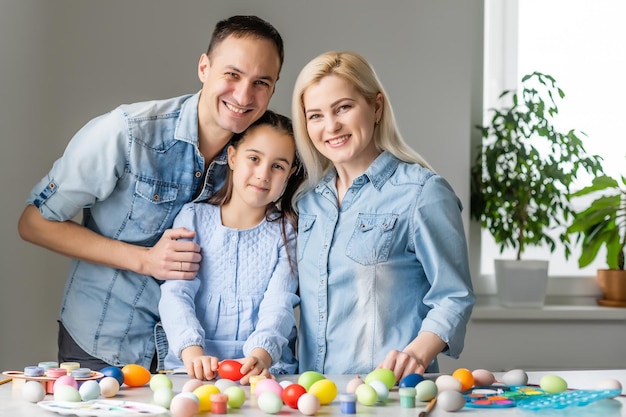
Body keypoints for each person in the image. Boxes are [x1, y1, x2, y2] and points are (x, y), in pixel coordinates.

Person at [17, 15, 285, 372]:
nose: (243, 95)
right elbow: (33, 223)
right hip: (104, 340)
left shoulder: (256, 160)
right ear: (204, 67)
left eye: (261, 82)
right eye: (232, 74)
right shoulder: (126, 133)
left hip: (195, 356)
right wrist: (145, 260)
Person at [291, 51, 475, 381]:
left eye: (343, 108)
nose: (331, 126)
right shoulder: (306, 203)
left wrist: (414, 356)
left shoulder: (423, 193)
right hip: (314, 396)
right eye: (315, 115)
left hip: (388, 396)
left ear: (376, 107)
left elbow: (454, 297)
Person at [159, 110, 305, 383]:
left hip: (263, 372)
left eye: (278, 166)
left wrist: (261, 355)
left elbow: (280, 303)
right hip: (192, 368)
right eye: (254, 158)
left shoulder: (287, 232)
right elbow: (176, 293)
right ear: (233, 156)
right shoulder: (193, 218)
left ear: (290, 173)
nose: (263, 174)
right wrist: (192, 352)